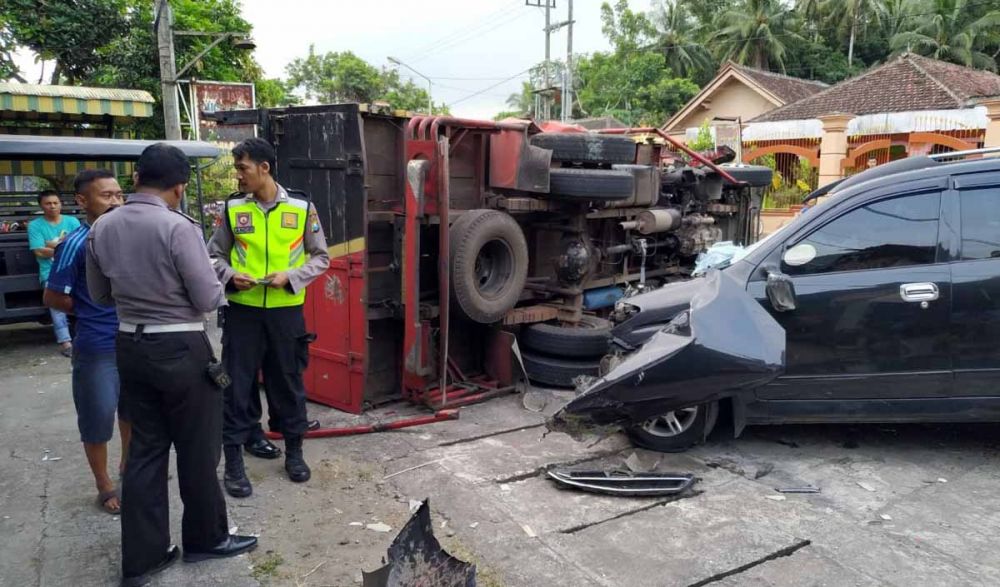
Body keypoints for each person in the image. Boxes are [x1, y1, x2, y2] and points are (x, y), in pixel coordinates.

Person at [87, 144, 256, 586]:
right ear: (179, 187)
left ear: (137, 178)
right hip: (180, 346)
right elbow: (206, 297)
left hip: (129, 343)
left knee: (144, 451)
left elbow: (100, 295)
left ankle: (144, 558)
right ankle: (205, 540)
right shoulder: (178, 227)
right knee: (199, 449)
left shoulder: (102, 227)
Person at [207, 137, 330, 498]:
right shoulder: (232, 210)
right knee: (234, 386)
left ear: (264, 167)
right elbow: (212, 256)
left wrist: (291, 277)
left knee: (288, 383)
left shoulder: (302, 208)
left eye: (242, 169)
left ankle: (294, 452)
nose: (238, 177)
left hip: (285, 314)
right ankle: (233, 462)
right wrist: (230, 276)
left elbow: (321, 257)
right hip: (242, 312)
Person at [43, 169, 130, 515]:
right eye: (106, 195)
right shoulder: (76, 243)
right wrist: (93, 306)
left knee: (133, 411)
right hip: (97, 345)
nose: (115, 202)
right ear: (82, 201)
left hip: (134, 340)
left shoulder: (129, 237)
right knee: (98, 417)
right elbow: (52, 296)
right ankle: (104, 484)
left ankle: (128, 472)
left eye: (119, 195)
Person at [28, 189, 81, 356]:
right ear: (41, 206)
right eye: (48, 203)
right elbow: (38, 251)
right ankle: (66, 343)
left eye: (55, 203)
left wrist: (51, 244)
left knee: (84, 301)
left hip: (75, 270)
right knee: (56, 306)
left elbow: (79, 246)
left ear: (61, 204)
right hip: (50, 271)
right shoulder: (35, 225)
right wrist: (64, 247)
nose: (52, 206)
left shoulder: (72, 221)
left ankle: (83, 338)